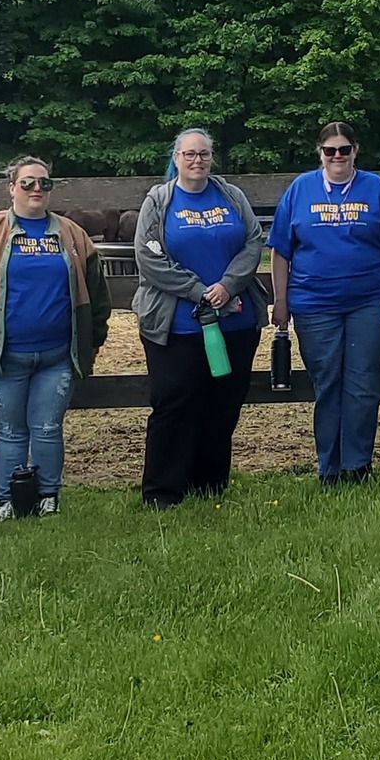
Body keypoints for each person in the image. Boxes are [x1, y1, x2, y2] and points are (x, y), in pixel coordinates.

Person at [0, 156, 111, 520]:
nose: (37, 189)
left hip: (57, 355)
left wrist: (93, 340)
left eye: (44, 183)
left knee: (48, 428)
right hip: (4, 355)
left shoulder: (72, 234)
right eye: (28, 183)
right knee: (9, 432)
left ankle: (48, 496)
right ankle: (7, 499)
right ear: (11, 188)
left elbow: (98, 295)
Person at [268, 123, 380, 485]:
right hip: (313, 304)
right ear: (320, 153)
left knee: (363, 383)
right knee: (327, 382)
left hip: (368, 302)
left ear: (355, 151)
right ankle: (328, 467)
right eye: (329, 151)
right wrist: (280, 301)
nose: (337, 157)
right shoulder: (300, 189)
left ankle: (357, 464)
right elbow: (281, 251)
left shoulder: (375, 188)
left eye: (343, 150)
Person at [133, 130, 268, 507]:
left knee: (222, 407)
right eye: (189, 154)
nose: (197, 161)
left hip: (235, 323)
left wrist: (227, 285)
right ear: (175, 158)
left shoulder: (230, 195)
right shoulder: (159, 201)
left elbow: (253, 241)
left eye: (204, 154)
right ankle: (163, 491)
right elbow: (148, 258)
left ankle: (210, 486)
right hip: (177, 326)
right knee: (173, 406)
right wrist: (199, 291)